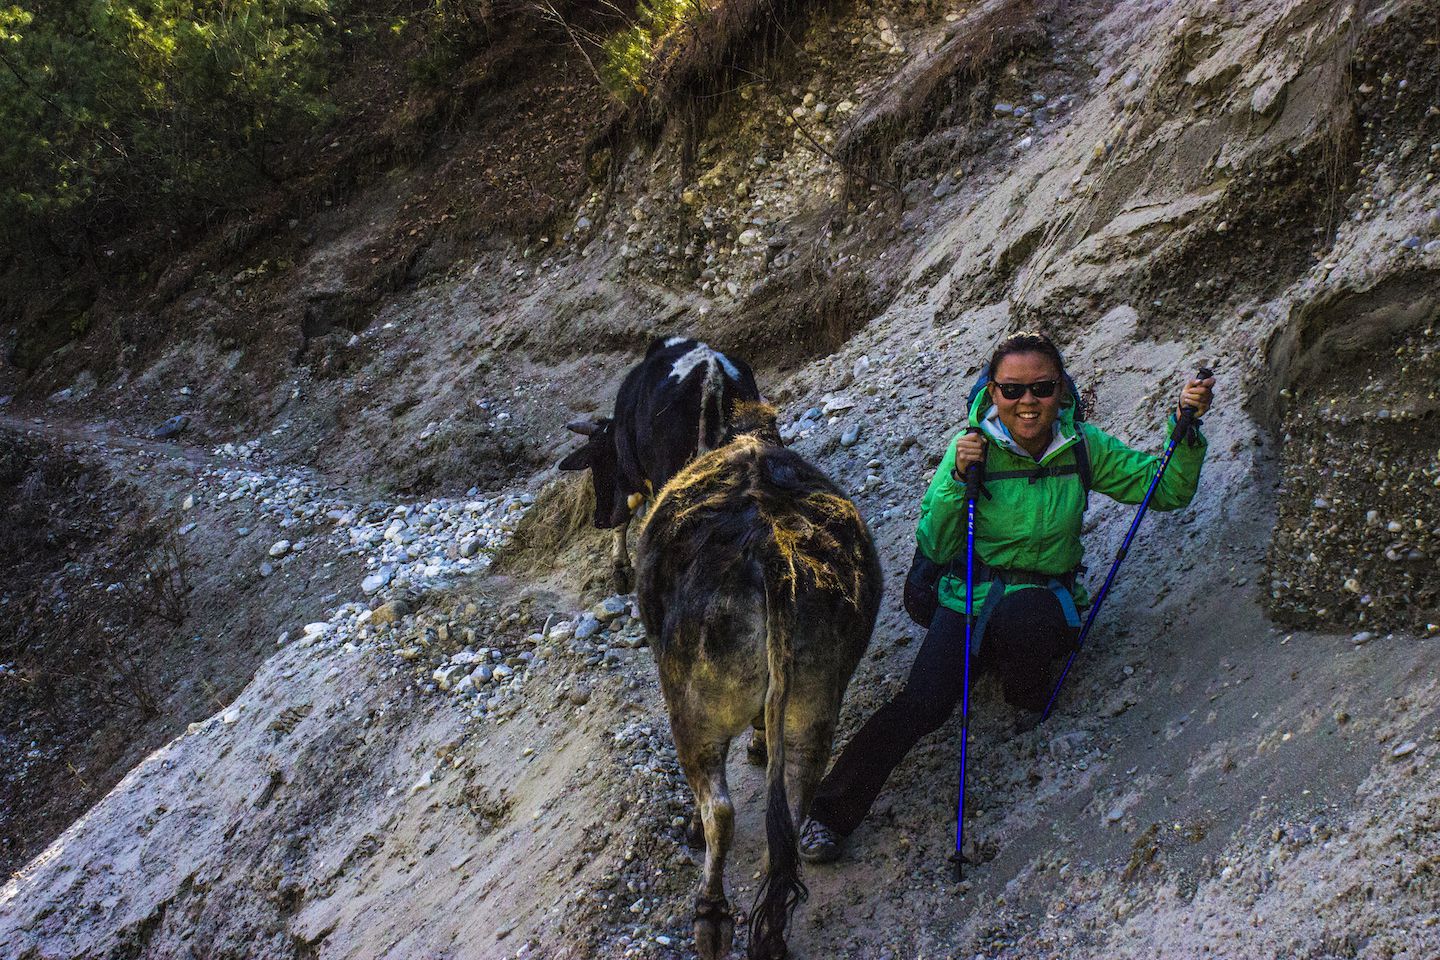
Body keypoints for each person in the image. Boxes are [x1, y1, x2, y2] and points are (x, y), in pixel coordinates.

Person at [797, 331, 1215, 864]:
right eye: (1012, 390)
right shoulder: (970, 448)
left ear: (1061, 390)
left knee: (1026, 619)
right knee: (921, 704)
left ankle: (1025, 691)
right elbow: (936, 545)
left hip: (1043, 599)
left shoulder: (1083, 446)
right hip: (968, 597)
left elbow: (1167, 490)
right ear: (991, 392)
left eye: (1041, 388)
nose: (1027, 402)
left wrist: (1186, 428)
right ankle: (829, 813)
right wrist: (955, 476)